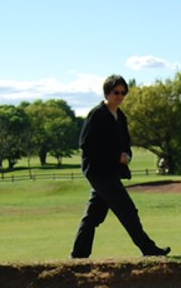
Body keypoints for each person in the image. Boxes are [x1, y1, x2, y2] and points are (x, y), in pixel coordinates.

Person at [70, 74, 170, 258]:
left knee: (93, 216)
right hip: (98, 172)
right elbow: (87, 144)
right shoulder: (97, 115)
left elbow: (125, 143)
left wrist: (127, 156)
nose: (120, 96)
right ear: (107, 93)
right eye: (116, 92)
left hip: (111, 172)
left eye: (123, 92)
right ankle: (148, 249)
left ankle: (78, 255)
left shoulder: (120, 117)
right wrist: (116, 156)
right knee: (127, 210)